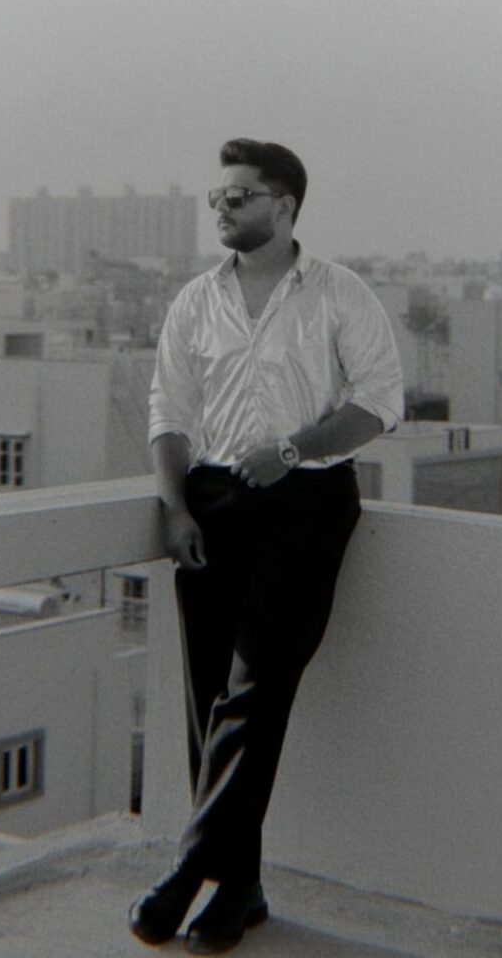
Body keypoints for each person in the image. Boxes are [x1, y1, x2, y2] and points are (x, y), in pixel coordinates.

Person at [131, 138, 403, 954]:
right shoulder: (195, 301)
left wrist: (292, 450)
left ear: (284, 208)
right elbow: (168, 411)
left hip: (306, 501)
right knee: (210, 695)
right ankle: (237, 888)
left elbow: (380, 403)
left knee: (258, 685)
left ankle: (187, 873)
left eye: (239, 196)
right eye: (217, 196)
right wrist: (176, 508)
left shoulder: (339, 293)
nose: (222, 207)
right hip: (212, 504)